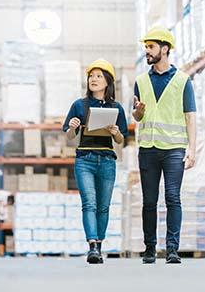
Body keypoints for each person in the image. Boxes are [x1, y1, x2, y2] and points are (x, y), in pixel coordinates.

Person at [133, 27, 196, 265]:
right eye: (145, 47)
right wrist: (137, 113)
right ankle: (150, 249)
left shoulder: (182, 81)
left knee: (172, 197)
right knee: (149, 201)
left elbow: (190, 116)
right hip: (148, 148)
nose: (147, 51)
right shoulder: (140, 81)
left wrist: (192, 149)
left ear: (165, 48)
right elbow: (138, 116)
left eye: (150, 47)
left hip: (174, 149)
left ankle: (172, 249)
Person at [63, 59, 129, 264]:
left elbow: (121, 140)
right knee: (89, 203)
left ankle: (98, 245)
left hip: (107, 160)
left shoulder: (116, 107)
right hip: (85, 160)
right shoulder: (79, 105)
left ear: (108, 81)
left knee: (103, 207)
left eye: (99, 76)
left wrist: (116, 132)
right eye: (91, 76)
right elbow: (69, 136)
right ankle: (92, 245)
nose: (94, 79)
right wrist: (73, 126)